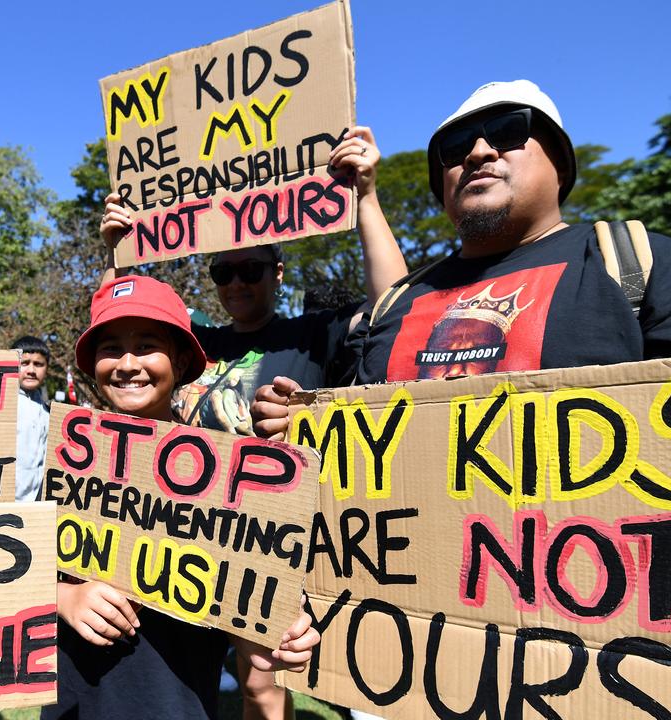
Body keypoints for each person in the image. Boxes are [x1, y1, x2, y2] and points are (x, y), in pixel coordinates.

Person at [252, 80, 671, 715]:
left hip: (600, 685)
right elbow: (353, 486)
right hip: (397, 681)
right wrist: (300, 429)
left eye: (509, 131)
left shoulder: (639, 265)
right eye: (453, 147)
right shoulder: (397, 304)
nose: (478, 151)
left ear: (558, 162)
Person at [101, 128, 406, 719]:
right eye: (223, 273)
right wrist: (121, 247)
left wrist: (365, 196)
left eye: (251, 270)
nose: (237, 283)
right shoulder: (196, 341)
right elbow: (123, 325)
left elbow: (397, 304)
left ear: (279, 274)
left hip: (262, 532)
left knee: (262, 685)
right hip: (181, 525)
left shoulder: (311, 334)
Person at [42, 275, 320, 720]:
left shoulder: (225, 478)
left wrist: (281, 633)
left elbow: (252, 622)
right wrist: (63, 599)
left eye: (147, 344)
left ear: (182, 358)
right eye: (110, 347)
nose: (127, 364)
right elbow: (13, 576)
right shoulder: (66, 459)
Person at [12, 335, 51, 502]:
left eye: (38, 364)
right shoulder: (5, 404)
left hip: (35, 502)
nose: (31, 371)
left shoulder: (46, 409)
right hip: (7, 500)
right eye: (24, 363)